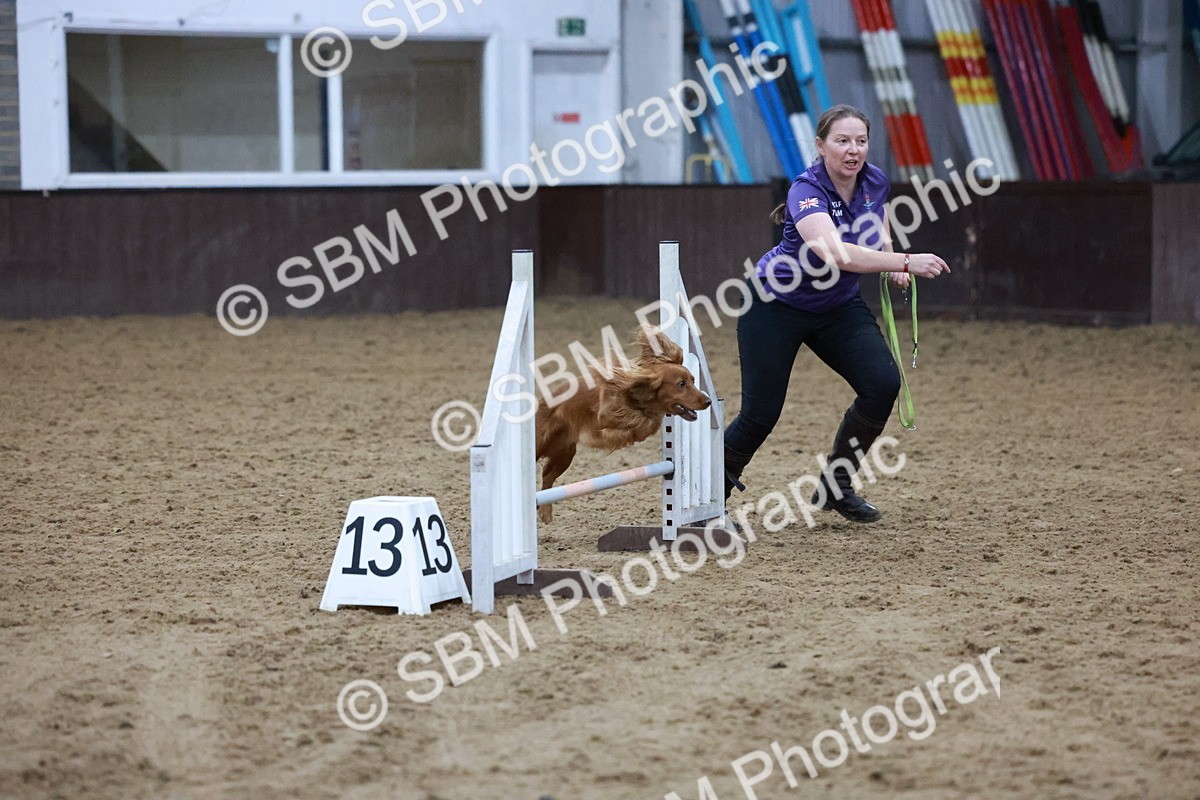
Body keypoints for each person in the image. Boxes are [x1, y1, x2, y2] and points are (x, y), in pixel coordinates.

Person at [724, 104, 949, 523]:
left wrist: (886, 253)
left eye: (861, 141)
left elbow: (877, 214)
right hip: (773, 304)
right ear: (821, 146)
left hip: (837, 306)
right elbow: (835, 253)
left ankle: (836, 486)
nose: (853, 150)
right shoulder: (804, 191)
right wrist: (902, 261)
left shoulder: (874, 179)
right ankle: (706, 496)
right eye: (842, 141)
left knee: (882, 383)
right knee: (760, 415)